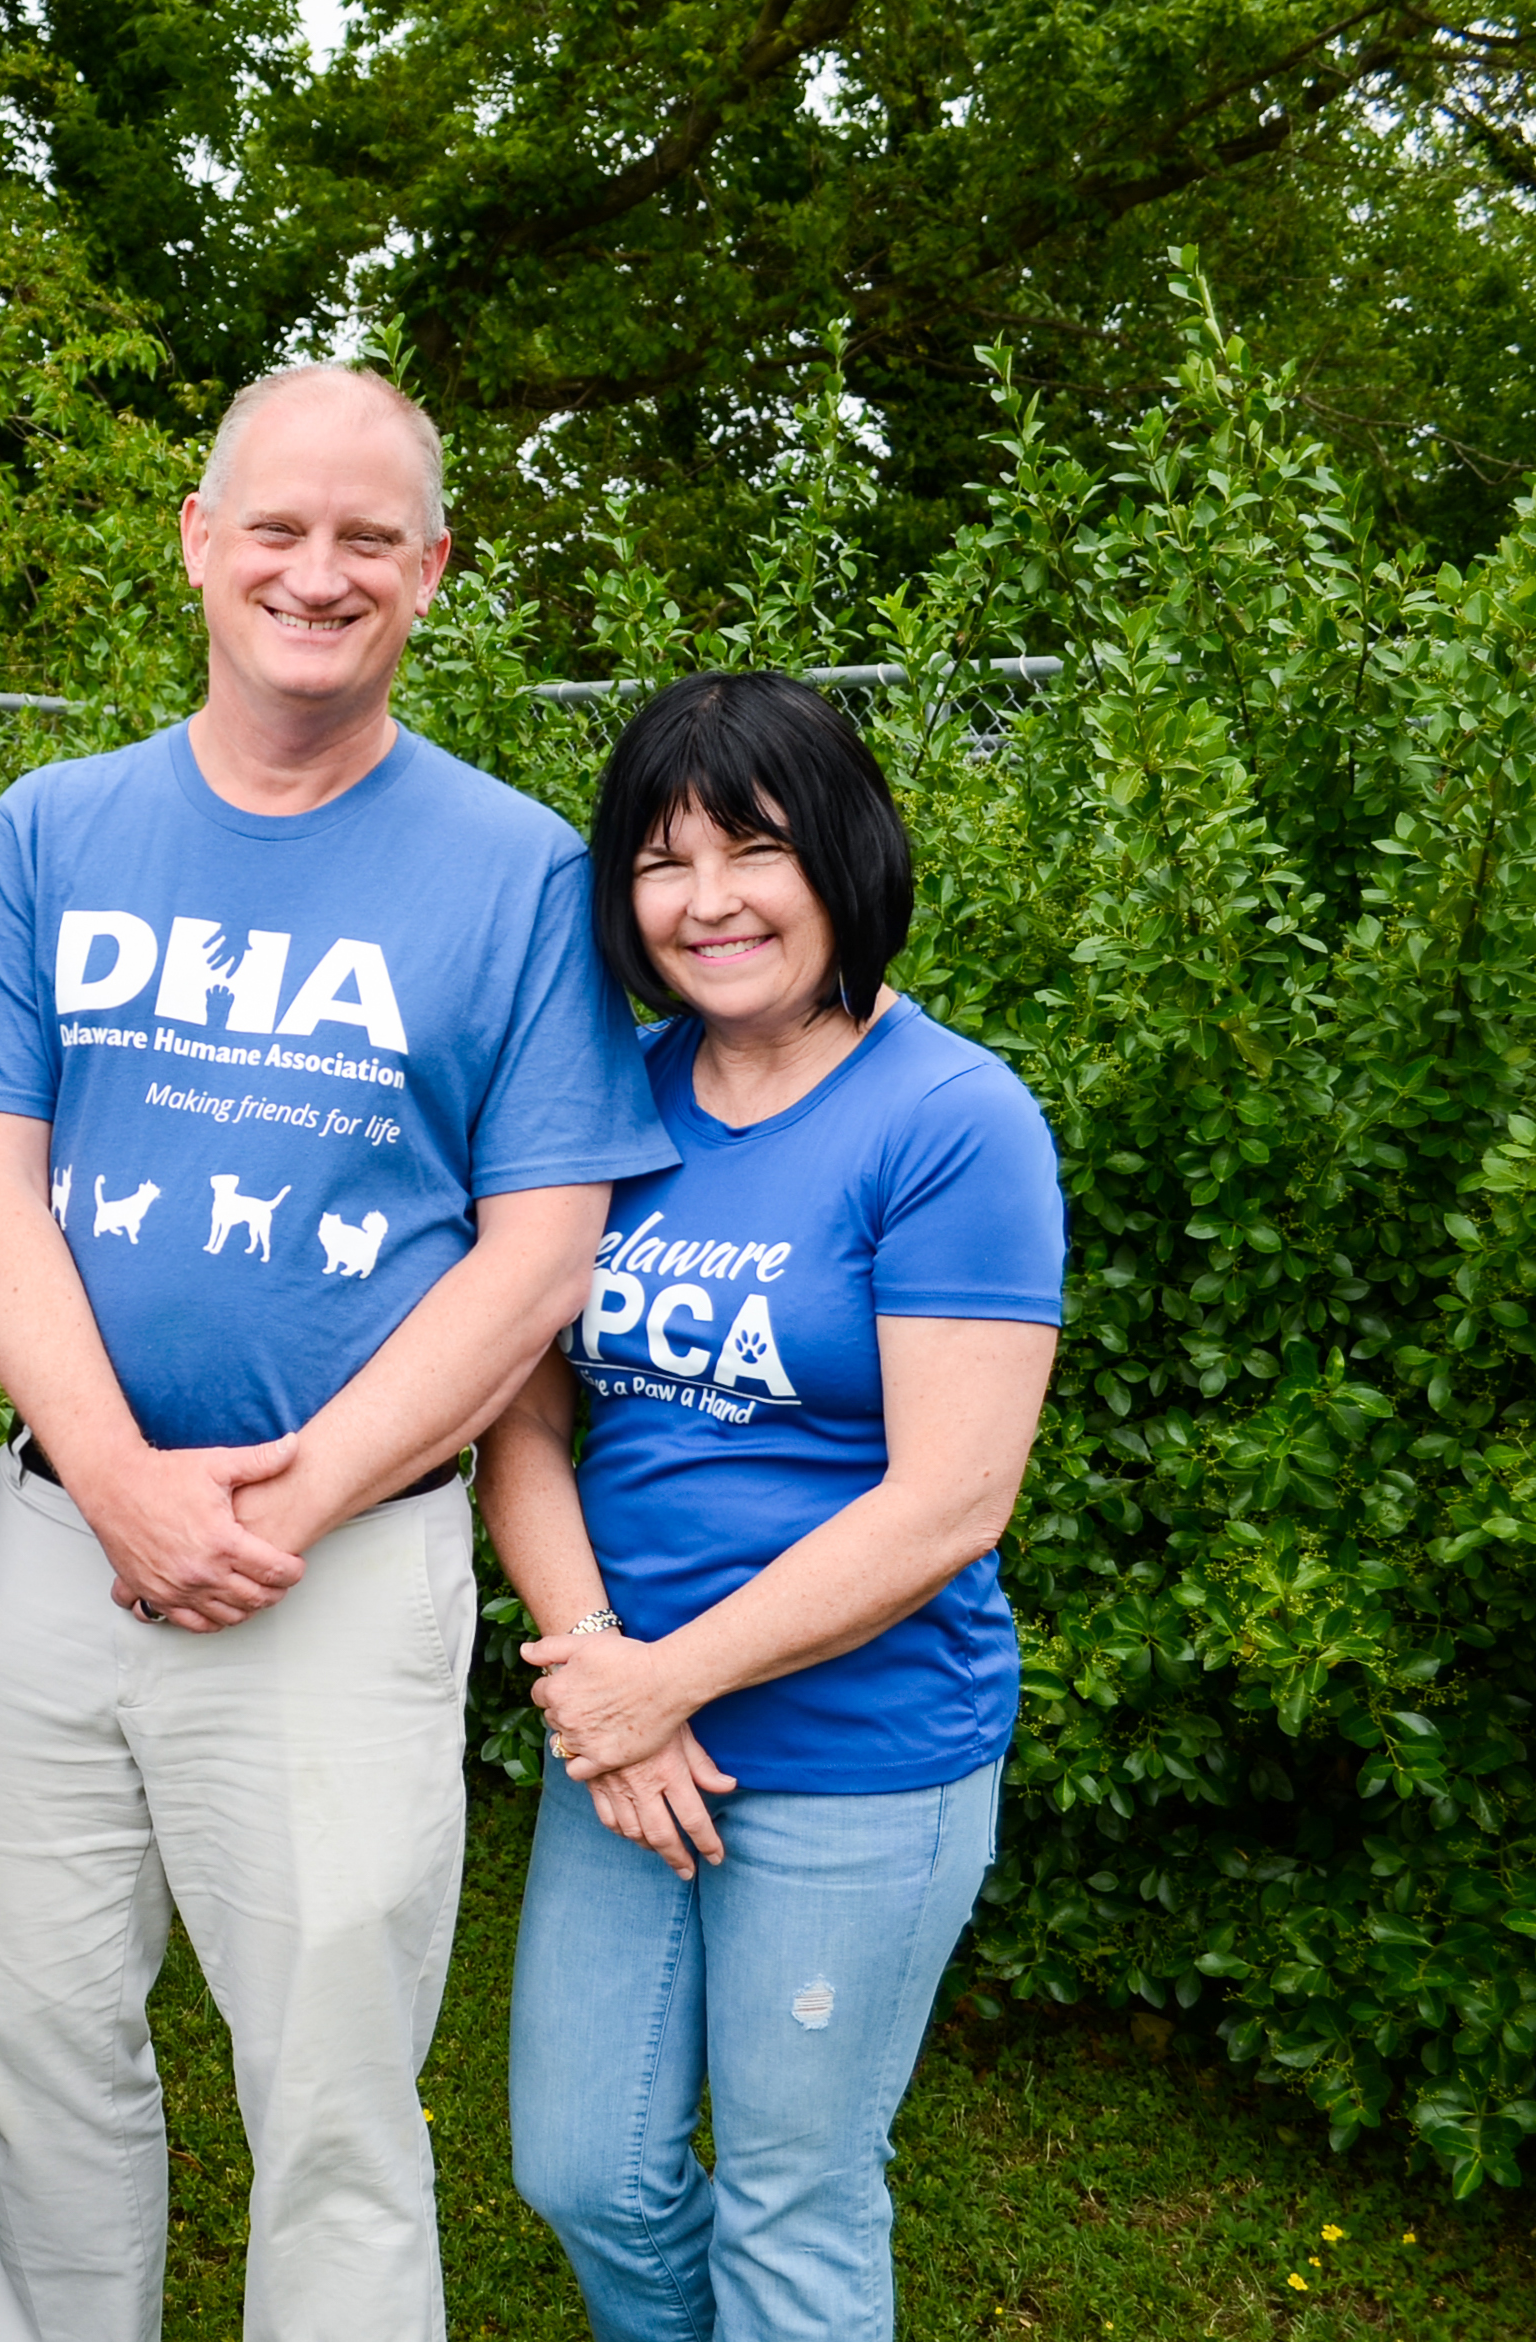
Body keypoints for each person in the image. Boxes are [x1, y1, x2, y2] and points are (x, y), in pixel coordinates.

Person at [0, 364, 678, 2342]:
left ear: (432, 573)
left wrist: (291, 1497)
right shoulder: (50, 829)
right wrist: (110, 1480)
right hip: (49, 1554)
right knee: (36, 2068)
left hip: (338, 1578)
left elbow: (537, 1253)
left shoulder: (517, 871)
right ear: (196, 541)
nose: (314, 571)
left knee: (333, 2104)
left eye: (367, 538)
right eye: (275, 525)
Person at [488, 671, 1064, 2341]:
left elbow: (953, 1496)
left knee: (795, 2194)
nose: (710, 899)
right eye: (664, 861)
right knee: (584, 2167)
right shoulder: (607, 1102)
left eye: (755, 846)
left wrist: (672, 1679)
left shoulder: (952, 1121)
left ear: (845, 857)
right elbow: (523, 1418)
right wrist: (607, 1670)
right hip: (623, 1735)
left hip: (858, 1749)